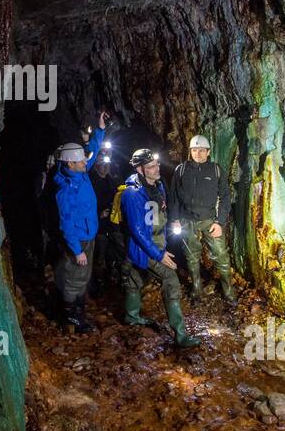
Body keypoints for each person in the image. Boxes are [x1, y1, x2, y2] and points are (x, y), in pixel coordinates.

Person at [119, 148, 201, 348]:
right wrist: (158, 254)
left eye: (156, 164)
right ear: (139, 169)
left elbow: (159, 215)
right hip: (144, 247)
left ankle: (132, 315)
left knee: (135, 278)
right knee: (171, 280)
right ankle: (180, 335)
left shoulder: (158, 186)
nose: (156, 169)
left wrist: (167, 233)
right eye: (150, 167)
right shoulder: (132, 194)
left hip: (155, 243)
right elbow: (138, 231)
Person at [52, 111, 110, 333]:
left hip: (89, 234)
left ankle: (78, 312)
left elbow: (92, 151)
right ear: (69, 163)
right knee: (74, 278)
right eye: (81, 160)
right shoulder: (66, 190)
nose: (86, 161)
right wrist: (77, 251)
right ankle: (71, 317)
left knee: (83, 277)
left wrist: (100, 129)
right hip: (78, 239)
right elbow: (65, 225)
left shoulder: (81, 173)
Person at [168, 134, 236, 303]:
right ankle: (197, 290)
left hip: (210, 220)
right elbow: (173, 197)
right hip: (186, 220)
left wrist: (220, 222)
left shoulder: (216, 170)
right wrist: (175, 219)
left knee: (221, 255)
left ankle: (228, 291)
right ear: (190, 151)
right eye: (195, 150)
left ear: (208, 152)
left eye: (201, 150)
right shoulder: (181, 170)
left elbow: (225, 197)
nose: (198, 153)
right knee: (192, 257)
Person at [90, 153, 121, 297]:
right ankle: (98, 286)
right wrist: (98, 214)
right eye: (102, 164)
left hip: (113, 225)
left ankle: (113, 283)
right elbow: (86, 206)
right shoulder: (90, 182)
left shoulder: (112, 181)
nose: (105, 167)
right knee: (99, 257)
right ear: (97, 165)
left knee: (114, 254)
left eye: (107, 164)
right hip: (99, 226)